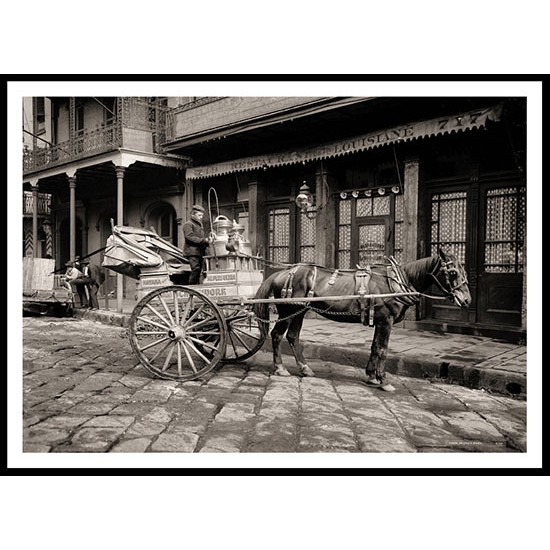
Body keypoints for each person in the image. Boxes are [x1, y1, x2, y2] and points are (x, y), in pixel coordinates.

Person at [182, 204, 213, 284]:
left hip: (199, 252)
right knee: (196, 270)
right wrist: (204, 240)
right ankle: (191, 289)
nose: (201, 217)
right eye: (199, 215)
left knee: (200, 271)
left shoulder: (198, 225)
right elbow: (189, 237)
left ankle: (196, 287)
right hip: (192, 252)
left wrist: (207, 240)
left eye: (202, 215)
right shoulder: (188, 224)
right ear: (193, 215)